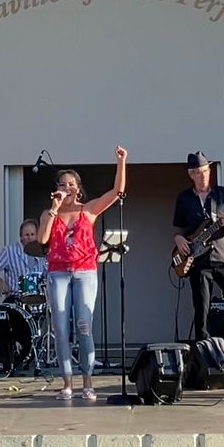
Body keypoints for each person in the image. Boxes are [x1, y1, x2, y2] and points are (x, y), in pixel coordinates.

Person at [37, 145, 127, 401]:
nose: (67, 187)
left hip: (85, 271)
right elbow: (43, 238)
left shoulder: (88, 209)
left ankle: (88, 380)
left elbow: (117, 192)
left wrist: (121, 163)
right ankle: (67, 382)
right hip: (58, 273)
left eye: (71, 184)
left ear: (78, 188)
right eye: (63, 184)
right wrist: (54, 209)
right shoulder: (49, 213)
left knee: (84, 325)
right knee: (61, 328)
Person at [173, 151, 224, 343]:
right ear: (192, 174)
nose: (205, 174)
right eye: (200, 171)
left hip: (223, 258)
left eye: (207, 170)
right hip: (198, 261)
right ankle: (204, 351)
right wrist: (178, 240)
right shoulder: (184, 198)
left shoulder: (222, 194)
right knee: (202, 310)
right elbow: (179, 230)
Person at [0, 218, 47, 298]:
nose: (30, 238)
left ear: (37, 236)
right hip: (15, 298)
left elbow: (48, 274)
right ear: (21, 237)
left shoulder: (41, 252)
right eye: (26, 235)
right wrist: (0, 282)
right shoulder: (9, 251)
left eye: (32, 234)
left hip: (37, 300)